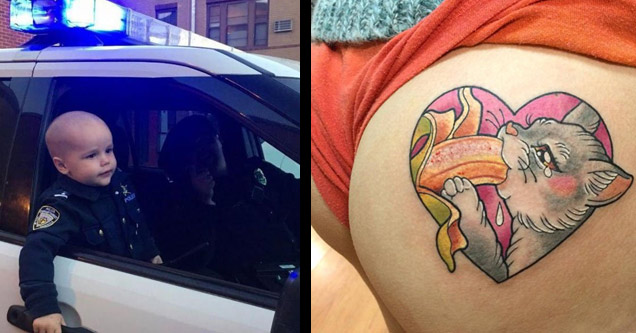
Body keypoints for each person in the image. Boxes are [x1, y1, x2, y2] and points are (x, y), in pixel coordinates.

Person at [311, 0, 636, 332]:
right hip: (545, 24)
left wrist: (471, 215)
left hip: (332, 53)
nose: (510, 129)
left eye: (546, 156)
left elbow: (501, 265)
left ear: (597, 185)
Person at [19, 111, 163, 333]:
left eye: (109, 150)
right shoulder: (61, 205)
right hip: (104, 296)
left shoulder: (120, 182)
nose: (106, 160)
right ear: (62, 166)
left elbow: (137, 224)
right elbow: (36, 251)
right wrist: (43, 307)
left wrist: (151, 253)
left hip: (133, 285)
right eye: (91, 156)